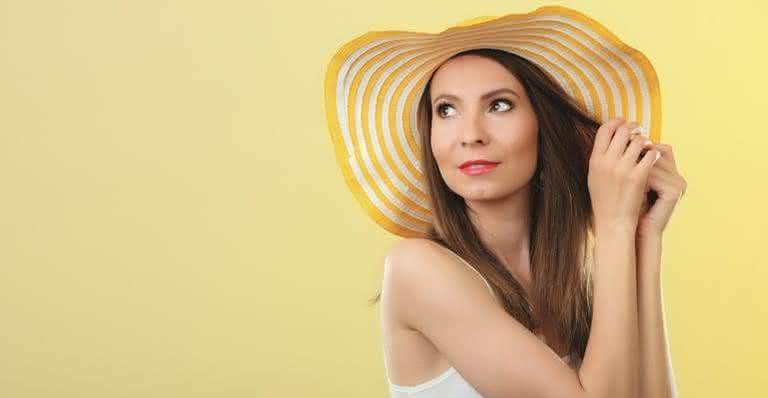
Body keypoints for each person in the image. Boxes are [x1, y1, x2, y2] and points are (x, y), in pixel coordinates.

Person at [324, 6, 686, 397]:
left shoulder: (580, 278)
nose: (470, 135)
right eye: (446, 110)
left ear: (544, 128)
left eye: (498, 105)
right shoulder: (417, 269)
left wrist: (642, 236)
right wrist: (615, 225)